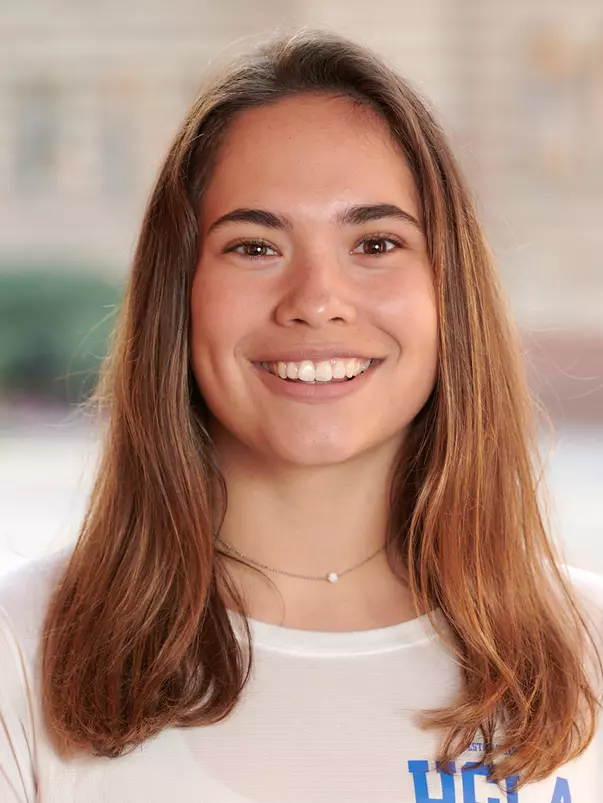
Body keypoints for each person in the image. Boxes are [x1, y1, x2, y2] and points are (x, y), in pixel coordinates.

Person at [1, 30, 602, 803]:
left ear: (448, 291)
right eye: (253, 247)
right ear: (177, 298)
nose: (316, 299)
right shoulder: (22, 655)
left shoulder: (584, 649)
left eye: (375, 242)